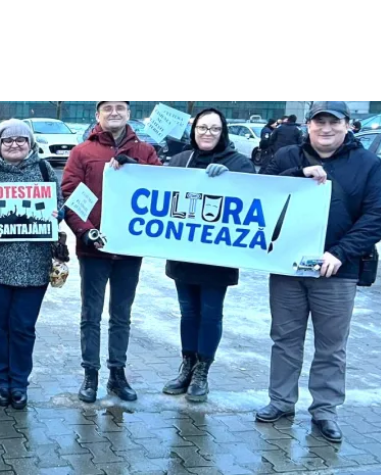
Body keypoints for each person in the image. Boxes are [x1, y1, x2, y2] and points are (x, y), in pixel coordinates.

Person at [258, 102, 381, 443]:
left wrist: (340, 253)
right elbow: (259, 191)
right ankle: (280, 402)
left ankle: (325, 410)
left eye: (333, 122)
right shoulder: (286, 157)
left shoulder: (369, 165)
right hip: (287, 266)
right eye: (319, 122)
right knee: (284, 339)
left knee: (330, 345)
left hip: (338, 271)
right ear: (308, 125)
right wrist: (298, 175)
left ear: (348, 125)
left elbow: (375, 217)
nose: (326, 129)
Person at [62, 101, 162, 404]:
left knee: (121, 315)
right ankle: (90, 374)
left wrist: (135, 169)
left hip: (129, 251)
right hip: (94, 249)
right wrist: (85, 230)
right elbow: (70, 193)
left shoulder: (144, 151)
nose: (114, 112)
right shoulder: (82, 152)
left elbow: (162, 187)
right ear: (98, 115)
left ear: (129, 113)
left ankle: (117, 374)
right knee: (90, 315)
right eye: (108, 108)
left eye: (120, 107)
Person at [0, 119, 64, 410]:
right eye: (8, 140)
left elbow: (57, 207)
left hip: (33, 266)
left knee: (23, 328)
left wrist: (56, 215)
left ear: (30, 143)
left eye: (21, 139)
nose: (14, 144)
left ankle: (19, 382)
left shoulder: (44, 171)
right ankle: (1, 380)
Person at [161, 109, 255, 403]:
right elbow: (156, 187)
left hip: (218, 256)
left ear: (223, 132)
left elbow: (257, 191)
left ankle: (203, 371)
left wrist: (232, 180)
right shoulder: (180, 161)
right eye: (202, 128)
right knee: (188, 312)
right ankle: (187, 366)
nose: (207, 134)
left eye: (214, 129)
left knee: (211, 313)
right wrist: (127, 167)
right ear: (194, 130)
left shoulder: (239, 163)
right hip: (183, 254)